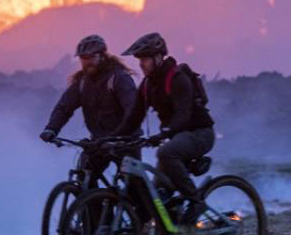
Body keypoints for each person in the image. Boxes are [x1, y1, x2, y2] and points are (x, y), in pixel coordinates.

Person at [113, 32, 215, 224]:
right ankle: (174, 233)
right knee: (157, 196)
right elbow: (134, 118)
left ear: (158, 57)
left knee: (165, 153)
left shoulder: (177, 78)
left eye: (145, 59)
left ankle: (196, 201)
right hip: (176, 137)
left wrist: (164, 134)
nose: (141, 64)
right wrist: (112, 137)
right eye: (139, 60)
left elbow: (183, 115)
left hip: (199, 133)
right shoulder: (147, 85)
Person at [39, 34, 140, 185]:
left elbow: (132, 108)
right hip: (99, 142)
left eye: (91, 57)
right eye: (83, 58)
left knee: (134, 189)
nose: (87, 62)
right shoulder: (82, 83)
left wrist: (122, 135)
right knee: (84, 178)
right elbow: (64, 107)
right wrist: (52, 129)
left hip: (125, 142)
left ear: (102, 56)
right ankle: (97, 206)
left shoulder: (118, 78)